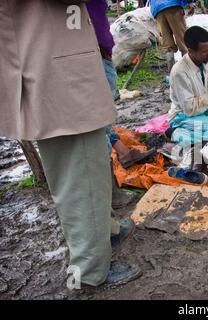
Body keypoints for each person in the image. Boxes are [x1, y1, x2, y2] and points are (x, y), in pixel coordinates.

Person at [0, 0, 141, 287]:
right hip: (57, 74)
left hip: (64, 65)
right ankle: (90, 273)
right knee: (80, 175)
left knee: (91, 165)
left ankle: (107, 231)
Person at [87, 0, 153, 208]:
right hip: (94, 56)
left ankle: (124, 153)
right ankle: (111, 193)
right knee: (99, 119)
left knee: (103, 116)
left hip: (98, 55)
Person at [150, 0, 196, 72]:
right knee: (183, 40)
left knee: (167, 44)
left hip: (158, 9)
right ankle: (189, 70)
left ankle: (172, 71)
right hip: (173, 5)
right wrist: (190, 2)